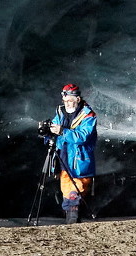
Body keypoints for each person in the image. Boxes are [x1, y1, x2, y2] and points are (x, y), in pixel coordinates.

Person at [39, 83, 98, 223]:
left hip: (79, 160)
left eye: (70, 100)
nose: (67, 103)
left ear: (77, 99)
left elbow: (83, 136)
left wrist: (62, 131)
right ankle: (72, 219)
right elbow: (55, 129)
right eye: (65, 101)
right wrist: (47, 132)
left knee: (76, 189)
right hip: (63, 158)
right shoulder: (61, 112)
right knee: (66, 188)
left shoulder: (88, 116)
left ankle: (73, 218)